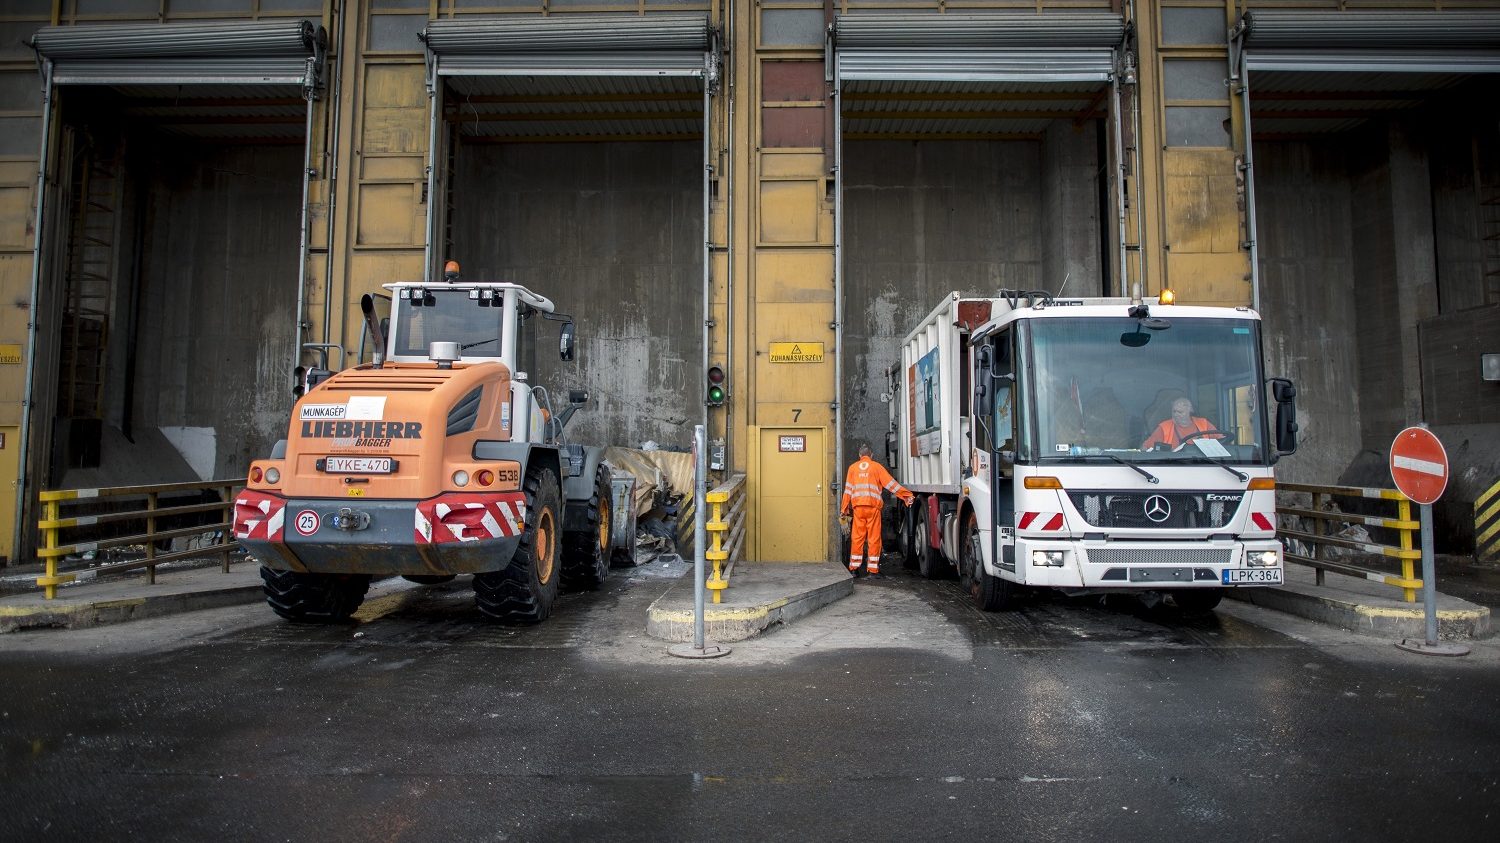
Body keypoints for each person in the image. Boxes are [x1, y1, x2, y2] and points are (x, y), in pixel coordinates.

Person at [840, 444, 915, 578]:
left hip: (858, 508)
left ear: (859, 455)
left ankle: (854, 569)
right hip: (873, 508)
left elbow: (848, 491)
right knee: (873, 538)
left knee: (857, 538)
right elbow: (891, 484)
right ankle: (872, 571)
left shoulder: (852, 468)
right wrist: (906, 495)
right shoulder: (877, 467)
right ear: (871, 455)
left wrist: (844, 509)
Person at [1141, 397, 1219, 450]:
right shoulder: (1164, 427)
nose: (1176, 414)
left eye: (1180, 412)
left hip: (1205, 466)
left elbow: (1223, 442)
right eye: (1174, 411)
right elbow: (1145, 447)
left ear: (1190, 411)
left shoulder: (1204, 424)